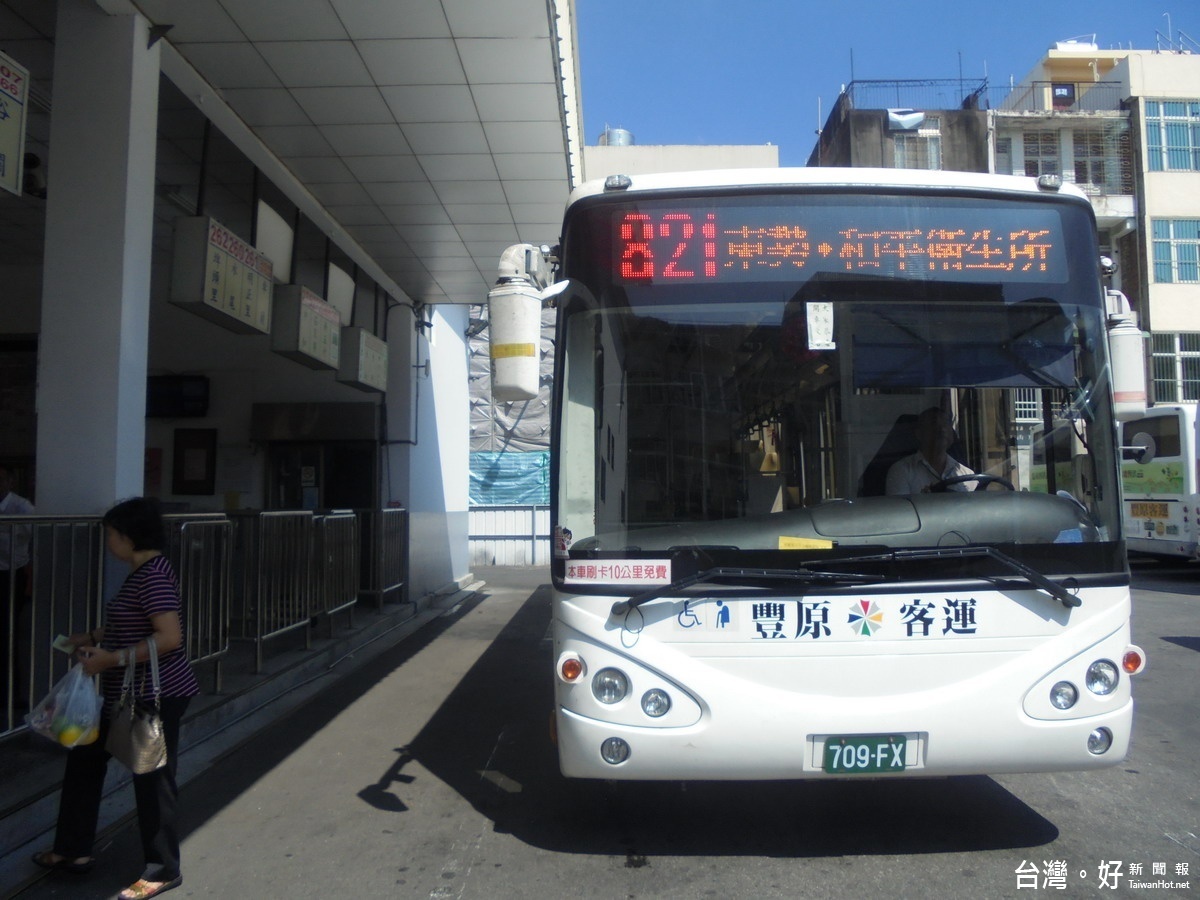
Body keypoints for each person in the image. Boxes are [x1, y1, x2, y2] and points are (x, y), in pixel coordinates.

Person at [31, 497, 199, 900]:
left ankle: (163, 869)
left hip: (152, 696)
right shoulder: (141, 572)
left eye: (110, 533)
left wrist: (112, 659)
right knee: (85, 761)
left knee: (152, 778)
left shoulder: (153, 574)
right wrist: (91, 639)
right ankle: (72, 851)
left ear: (128, 535)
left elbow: (170, 638)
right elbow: (131, 621)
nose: (108, 540)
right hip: (121, 692)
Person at [1, 464, 34, 726]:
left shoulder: (22, 508)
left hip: (12, 573)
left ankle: (12, 693)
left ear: (10, 481)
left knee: (8, 632)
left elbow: (37, 541)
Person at [885, 407, 976, 495]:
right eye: (934, 424)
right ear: (919, 434)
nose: (942, 429)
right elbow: (901, 509)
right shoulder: (901, 471)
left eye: (946, 424)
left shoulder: (967, 474)